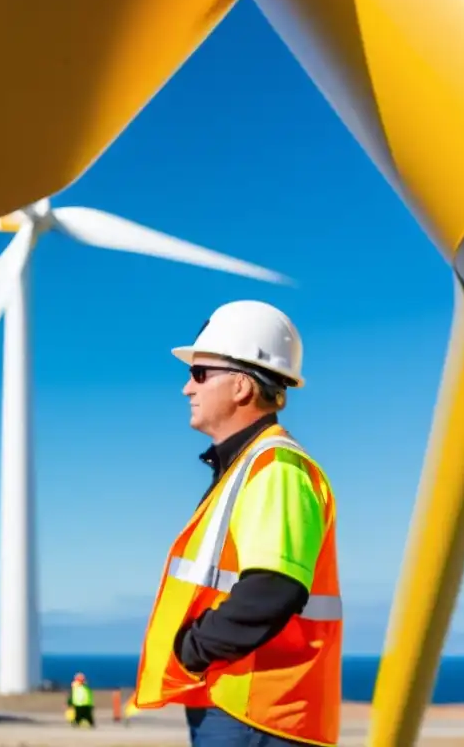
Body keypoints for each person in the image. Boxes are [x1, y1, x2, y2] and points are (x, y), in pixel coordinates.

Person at [130, 300, 342, 747]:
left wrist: (192, 650)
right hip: (237, 706)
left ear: (243, 386)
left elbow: (273, 589)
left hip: (255, 712)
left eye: (200, 373)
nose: (187, 388)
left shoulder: (275, 468)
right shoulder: (247, 468)